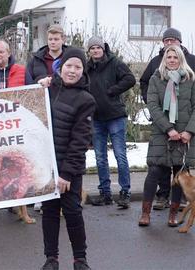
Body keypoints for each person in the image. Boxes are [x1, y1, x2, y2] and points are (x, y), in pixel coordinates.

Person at [38, 48, 95, 270]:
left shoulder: (86, 99)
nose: (72, 70)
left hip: (69, 169)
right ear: (60, 67)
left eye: (78, 67)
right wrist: (39, 85)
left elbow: (80, 140)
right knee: (50, 212)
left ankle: (80, 259)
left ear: (83, 70)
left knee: (72, 213)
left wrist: (66, 174)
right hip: (46, 165)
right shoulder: (47, 89)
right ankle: (51, 258)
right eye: (69, 65)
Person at [138, 45, 195, 227]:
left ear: (181, 59)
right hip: (162, 132)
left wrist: (188, 131)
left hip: (184, 133)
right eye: (168, 57)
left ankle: (173, 215)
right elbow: (153, 106)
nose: (171, 60)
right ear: (164, 59)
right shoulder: (156, 78)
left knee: (179, 174)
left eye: (175, 57)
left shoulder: (191, 79)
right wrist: (169, 129)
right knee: (154, 170)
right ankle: (145, 213)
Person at [85, 36, 136, 208]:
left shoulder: (115, 63)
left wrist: (113, 90)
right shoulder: (87, 67)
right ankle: (105, 193)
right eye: (92, 48)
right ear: (89, 51)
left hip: (115, 116)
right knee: (100, 158)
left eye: (98, 48)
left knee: (120, 155)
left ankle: (125, 192)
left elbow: (130, 79)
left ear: (103, 48)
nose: (95, 51)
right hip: (97, 118)